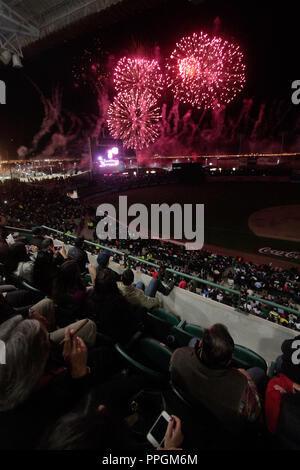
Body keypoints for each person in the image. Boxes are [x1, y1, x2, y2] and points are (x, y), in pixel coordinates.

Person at [0, 316, 115, 450]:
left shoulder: (15, 382)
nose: (51, 347)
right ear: (34, 369)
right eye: (47, 346)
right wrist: (79, 372)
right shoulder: (33, 427)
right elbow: (85, 416)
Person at [170, 324, 263, 430]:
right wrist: (248, 379)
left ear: (201, 344)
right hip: (218, 428)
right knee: (258, 372)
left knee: (192, 340)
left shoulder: (178, 355)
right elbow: (255, 413)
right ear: (229, 361)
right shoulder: (242, 388)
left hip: (190, 410)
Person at [85, 268, 142, 344]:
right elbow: (130, 325)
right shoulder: (121, 304)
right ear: (114, 285)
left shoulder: (90, 298)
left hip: (104, 337)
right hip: (118, 340)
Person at [52, 260, 87, 327]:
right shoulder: (79, 294)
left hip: (60, 317)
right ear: (76, 275)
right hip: (71, 320)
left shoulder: (56, 284)